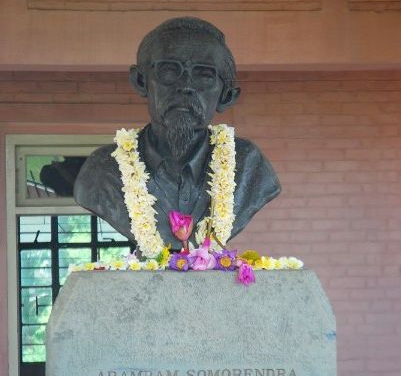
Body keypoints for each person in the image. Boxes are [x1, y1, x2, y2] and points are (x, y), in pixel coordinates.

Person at [74, 16, 281, 252]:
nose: (186, 86)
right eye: (169, 71)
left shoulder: (249, 166)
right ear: (140, 81)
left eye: (204, 75)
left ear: (226, 97)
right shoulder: (102, 170)